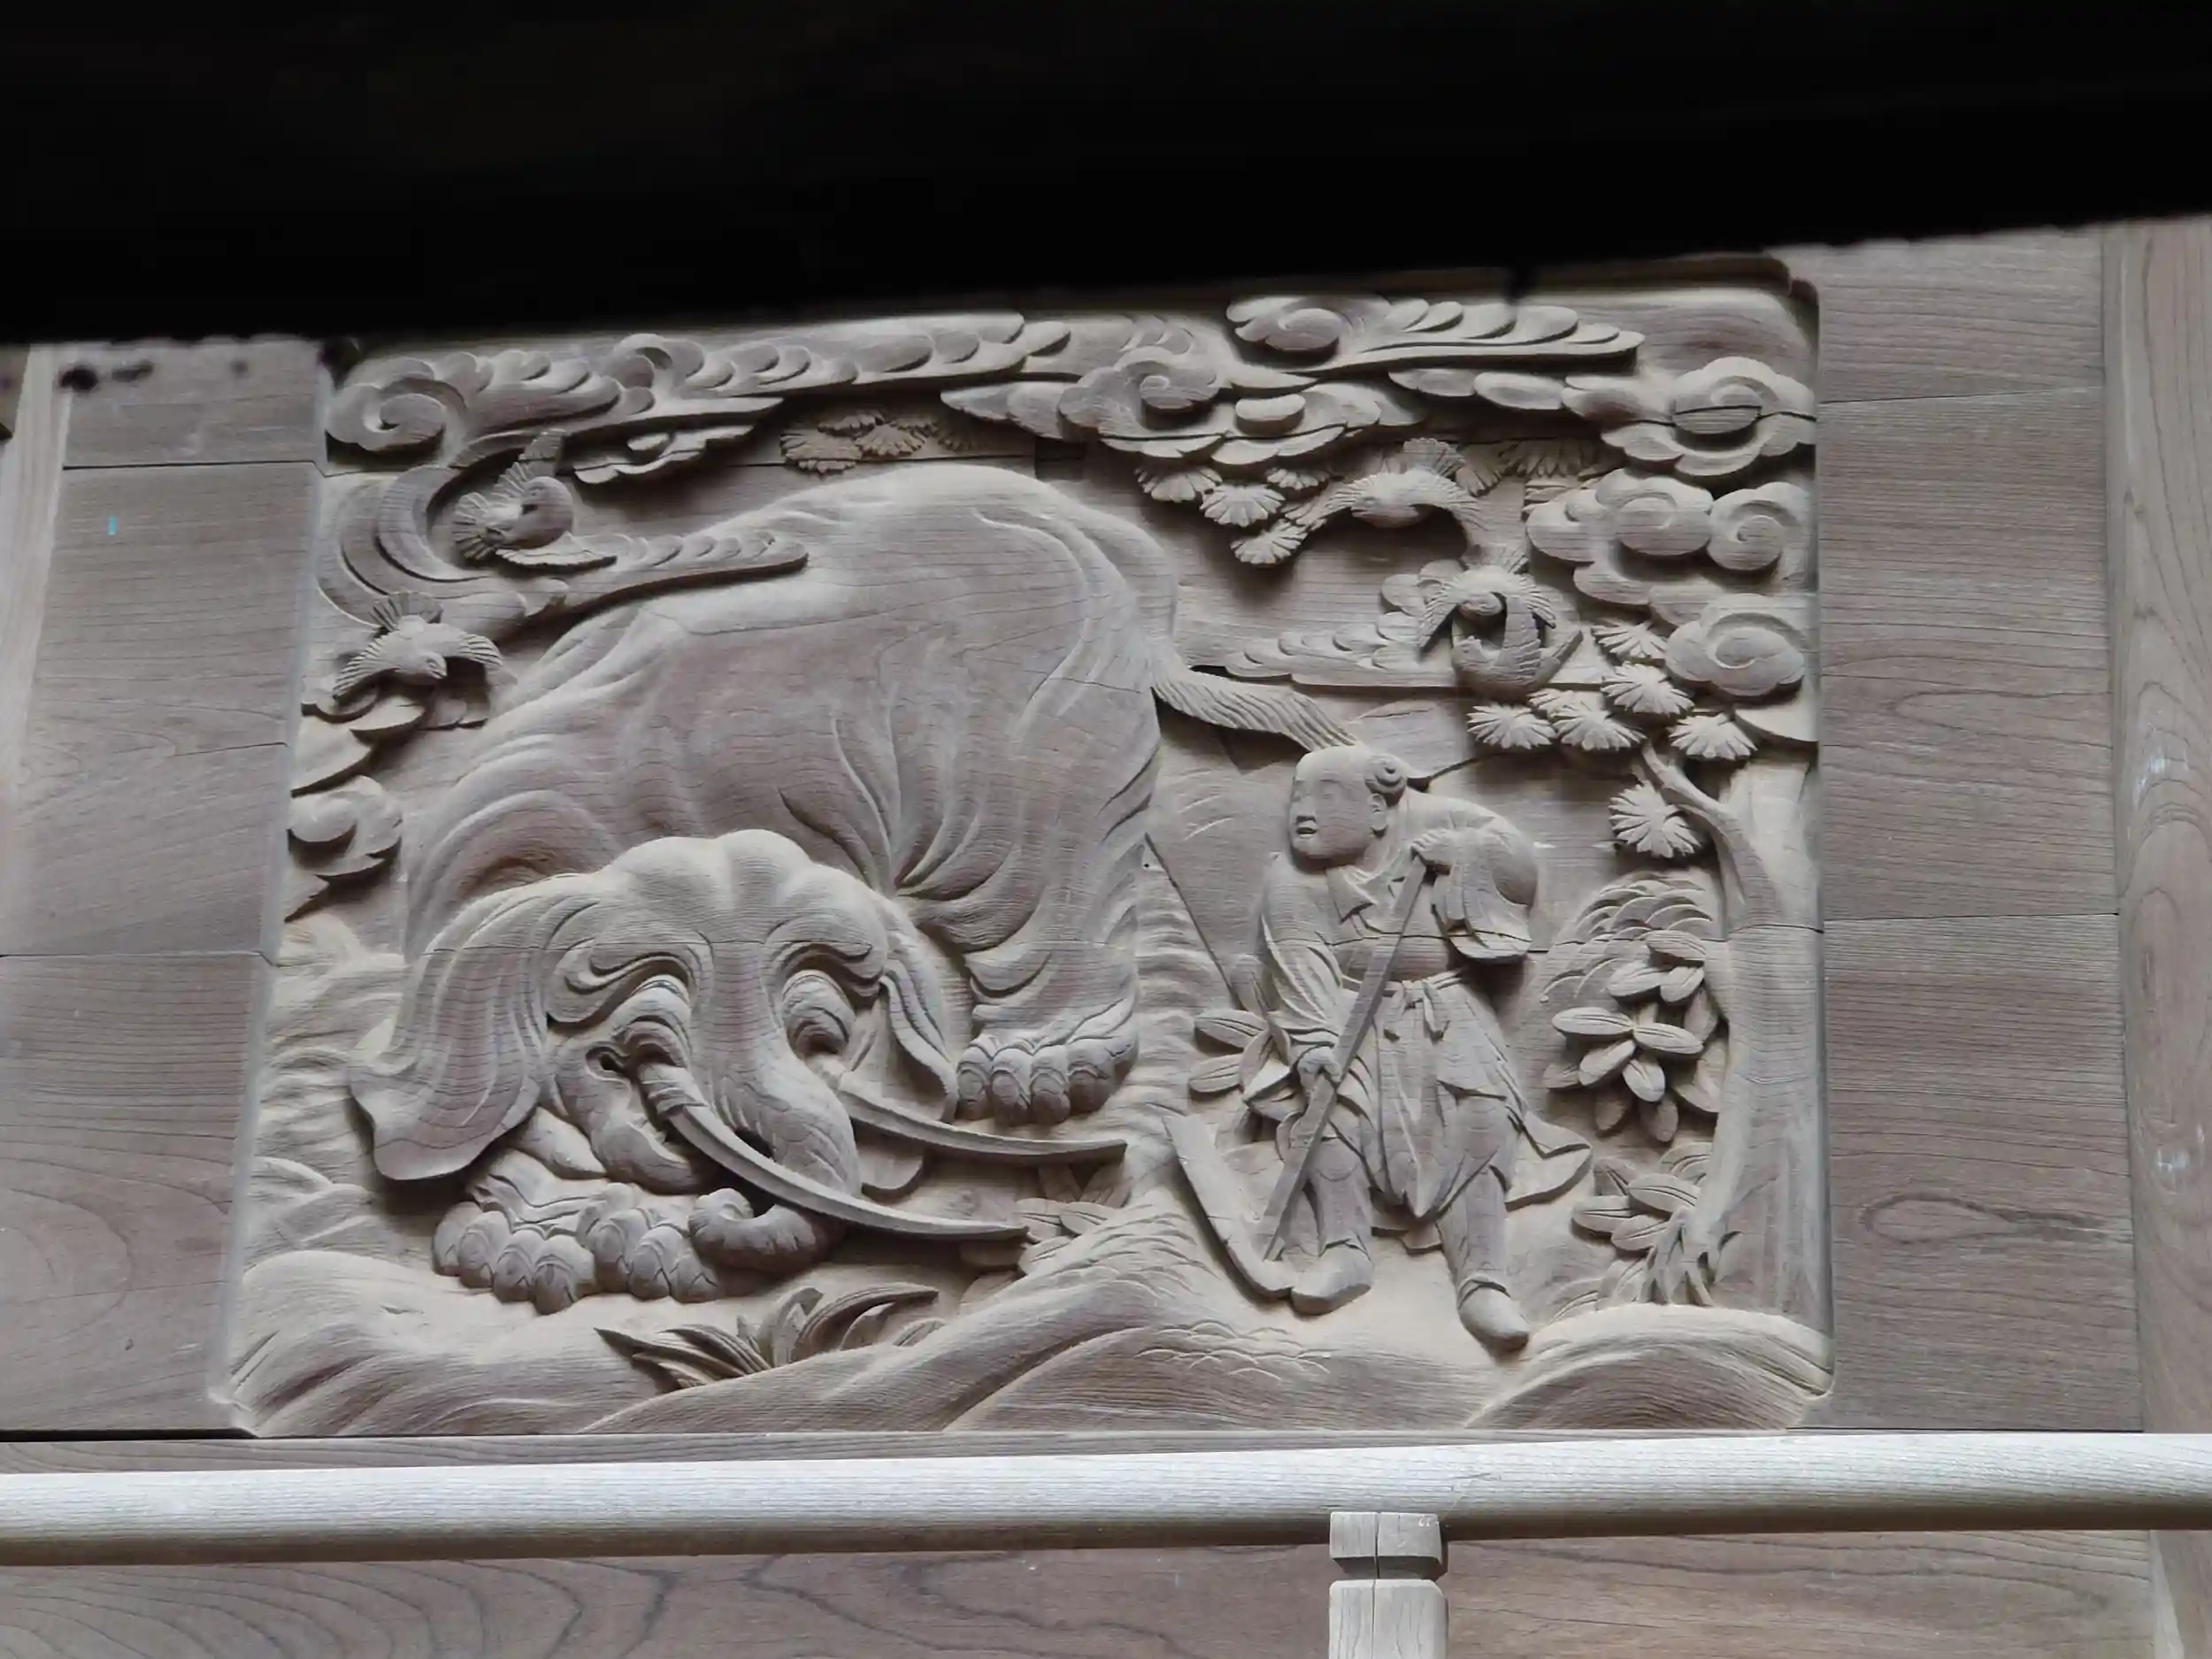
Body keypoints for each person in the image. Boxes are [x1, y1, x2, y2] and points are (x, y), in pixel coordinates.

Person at [1255, 743, 1540, 1348]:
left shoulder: (1441, 821)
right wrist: (1313, 1047)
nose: (1302, 811)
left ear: (1378, 808)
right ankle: (1344, 1249)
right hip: (1345, 1010)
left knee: (1483, 1109)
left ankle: (1483, 1280)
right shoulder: (1290, 882)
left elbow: (1516, 859)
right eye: (1298, 797)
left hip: (1447, 1005)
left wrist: (1462, 856)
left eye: (1325, 796)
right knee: (1333, 1105)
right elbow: (1300, 970)